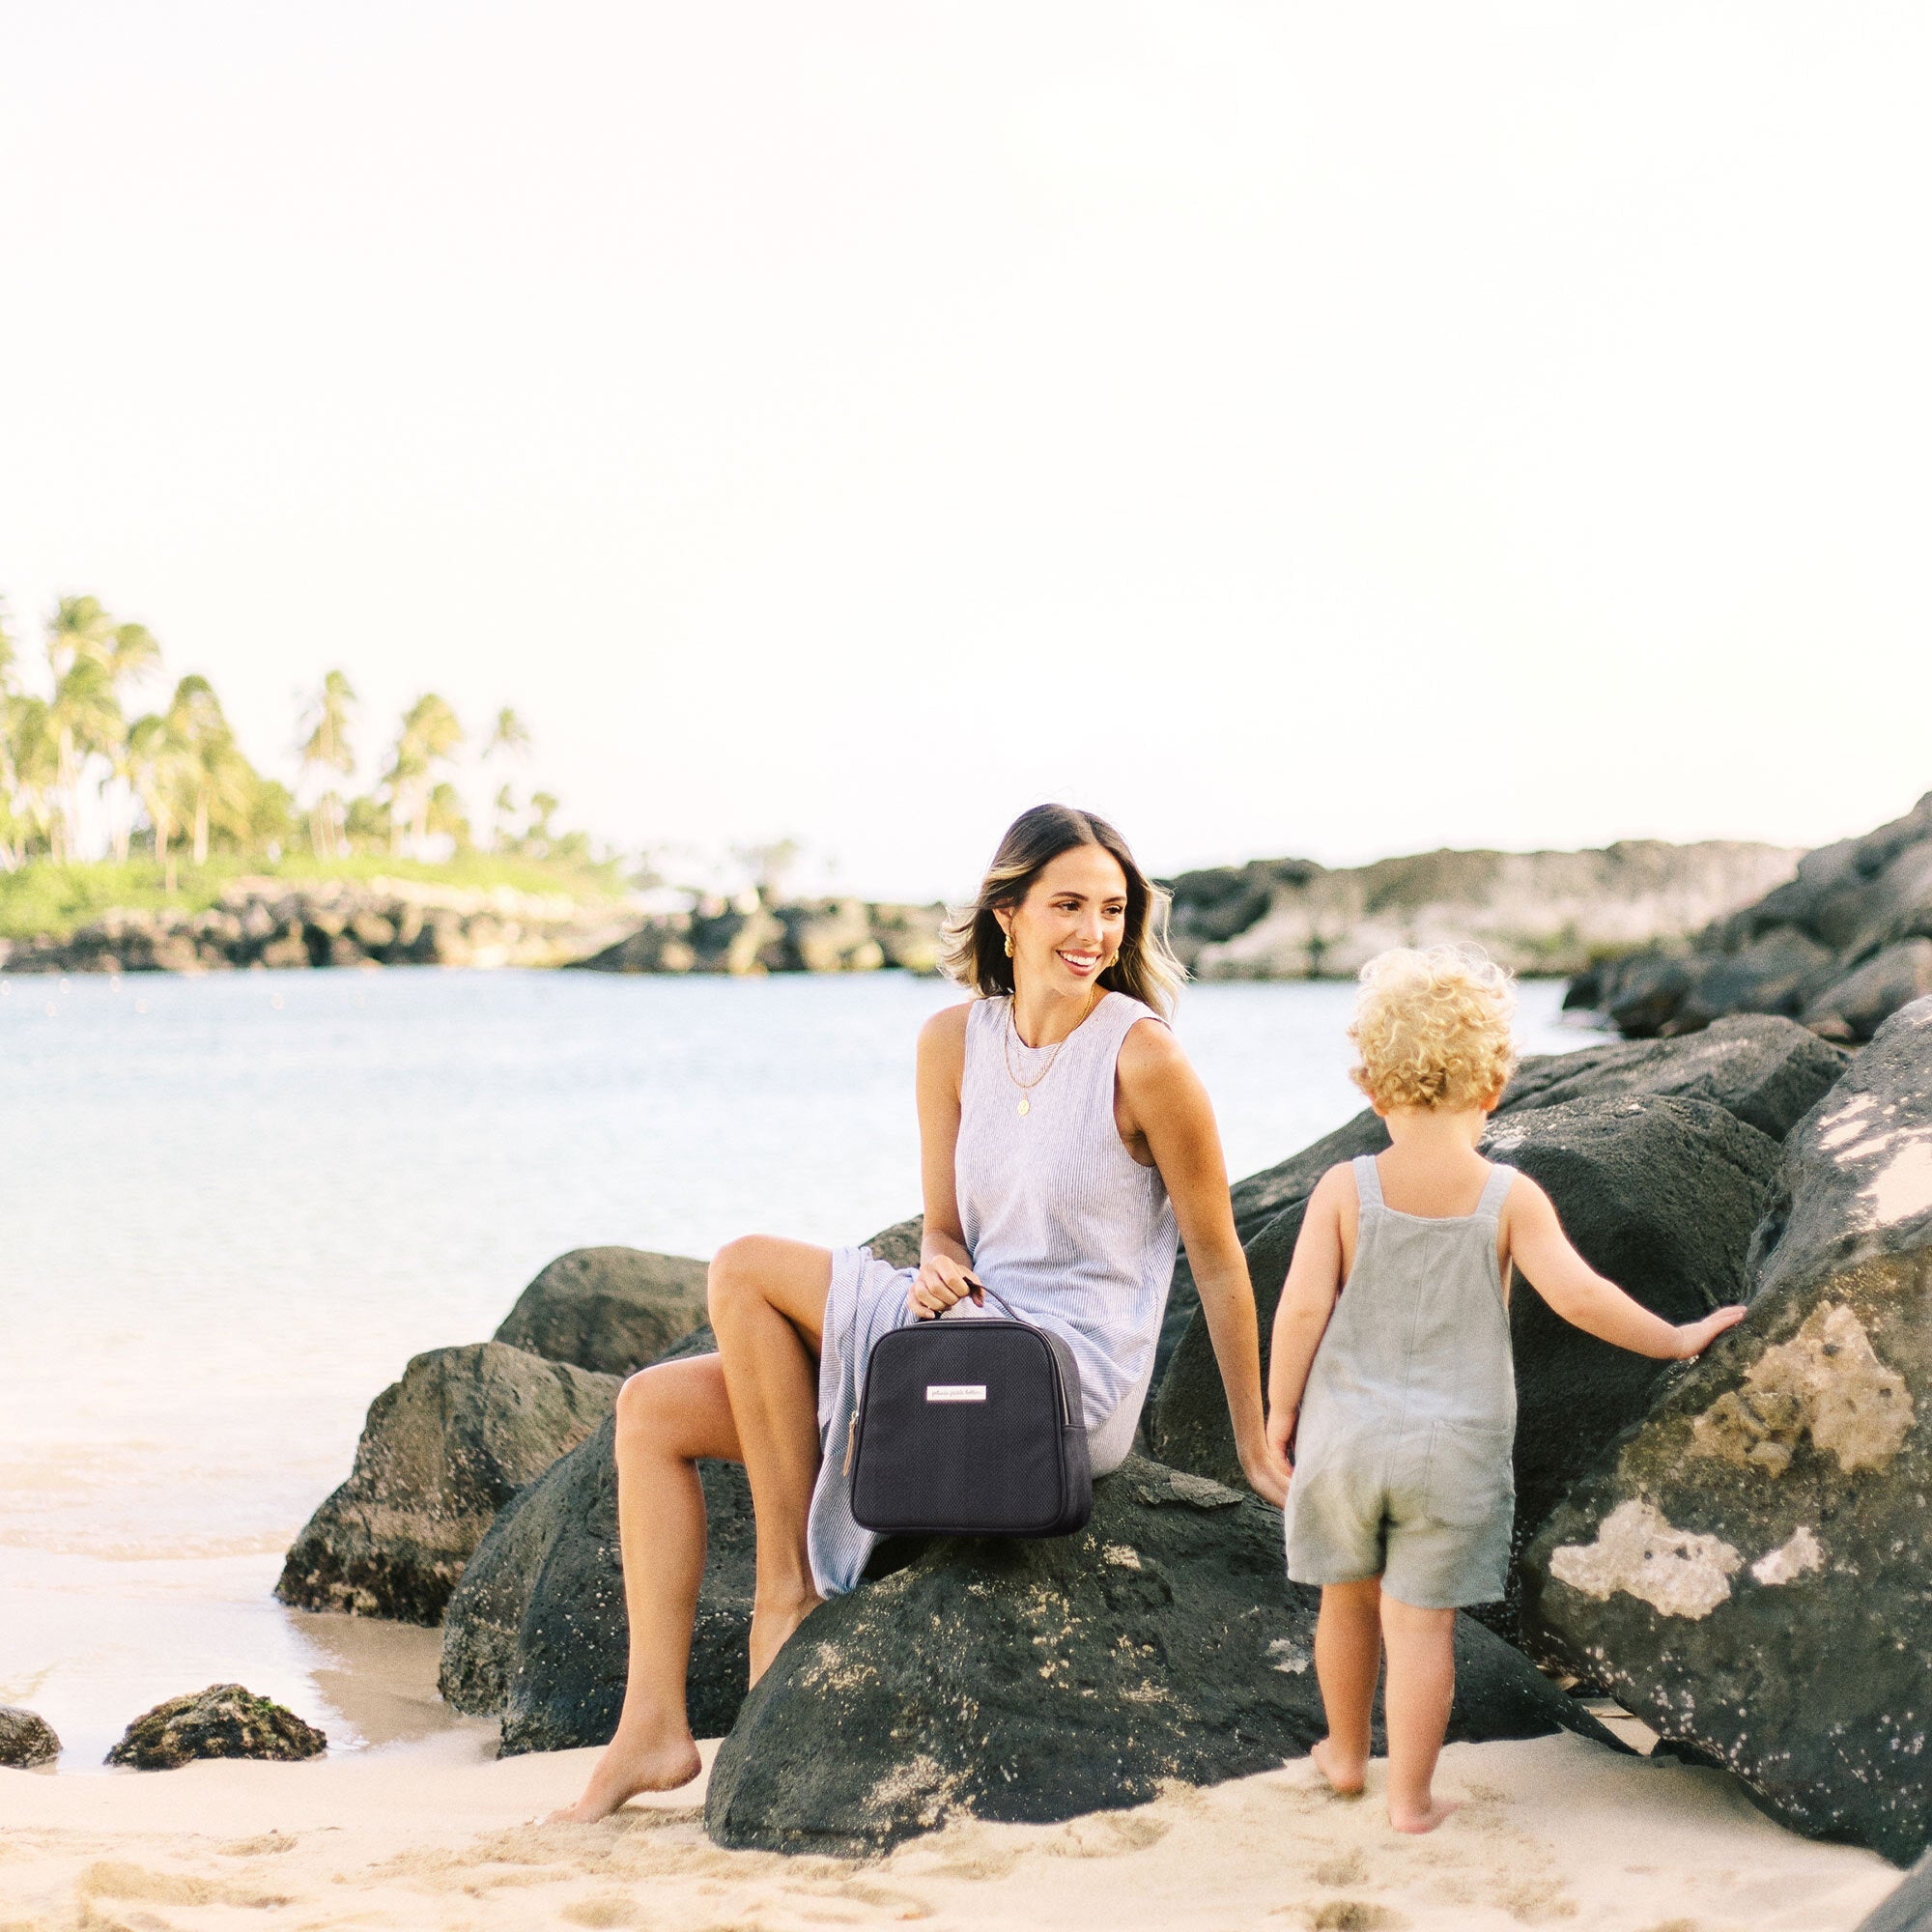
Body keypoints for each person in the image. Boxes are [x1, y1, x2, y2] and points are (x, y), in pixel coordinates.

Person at [555, 803, 1288, 1823]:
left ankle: (786, 1592)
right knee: (651, 1409)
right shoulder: (950, 1041)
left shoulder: (1143, 1059)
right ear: (1007, 912)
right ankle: (651, 1727)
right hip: (959, 1339)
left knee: (743, 1268)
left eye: (1112, 910)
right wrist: (936, 1266)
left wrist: (1252, 1442)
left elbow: (1217, 1259)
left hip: (1056, 1380)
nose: (1093, 933)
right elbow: (944, 1229)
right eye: (1067, 904)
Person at [1265, 946, 1746, 1834]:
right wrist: (1677, 1338)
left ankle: (1341, 1755)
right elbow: (1580, 1296)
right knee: (1421, 1631)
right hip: (1452, 1454)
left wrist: (1279, 1413)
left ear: (1371, 1085)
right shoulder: (1506, 1196)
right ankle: (1409, 1800)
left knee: (1345, 1602)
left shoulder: (1345, 1189)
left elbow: (1298, 1311)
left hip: (1344, 1444)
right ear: (1495, 1084)